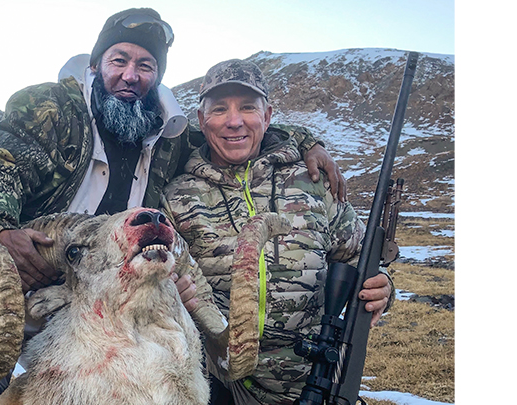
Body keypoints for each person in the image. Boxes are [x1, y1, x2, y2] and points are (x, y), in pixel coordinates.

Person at [0, 8, 346, 405]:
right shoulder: (49, 107)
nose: (129, 76)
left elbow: (231, 127)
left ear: (156, 76)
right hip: (2, 274)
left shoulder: (166, 130)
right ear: (96, 64)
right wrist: (0, 230)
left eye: (145, 66)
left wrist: (304, 141)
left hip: (94, 287)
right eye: (118, 60)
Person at [162, 59, 394, 405]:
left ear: (268, 116)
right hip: (220, 385)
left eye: (248, 108)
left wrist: (384, 288)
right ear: (201, 120)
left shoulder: (314, 181)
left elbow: (361, 257)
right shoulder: (176, 197)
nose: (234, 121)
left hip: (317, 380)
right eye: (220, 109)